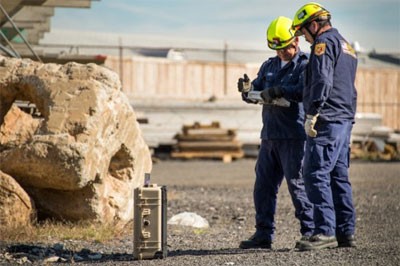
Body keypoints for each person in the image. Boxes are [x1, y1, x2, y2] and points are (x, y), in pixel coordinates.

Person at [237, 16, 314, 249]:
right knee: (263, 186)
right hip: (269, 136)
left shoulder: (306, 64)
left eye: (285, 48)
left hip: (294, 136)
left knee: (297, 185)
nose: (281, 53)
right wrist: (248, 91)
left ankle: (310, 232)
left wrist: (282, 90)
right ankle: (263, 234)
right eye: (277, 49)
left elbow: (304, 90)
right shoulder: (269, 65)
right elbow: (258, 91)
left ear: (296, 43)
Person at [291, 2, 358, 251]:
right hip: (344, 120)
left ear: (314, 25)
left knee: (315, 173)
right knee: (338, 176)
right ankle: (345, 233)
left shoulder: (323, 44)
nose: (305, 39)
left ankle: (324, 232)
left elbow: (321, 80)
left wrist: (313, 113)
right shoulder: (346, 46)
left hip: (327, 120)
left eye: (304, 32)